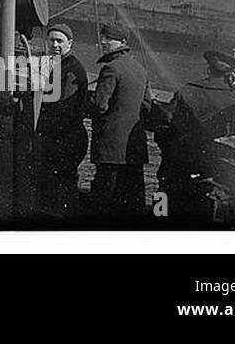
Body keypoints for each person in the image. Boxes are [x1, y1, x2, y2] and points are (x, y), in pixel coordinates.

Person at [157, 49, 235, 218]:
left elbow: (169, 122)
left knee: (166, 200)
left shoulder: (186, 90)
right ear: (232, 74)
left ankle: (158, 219)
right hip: (213, 167)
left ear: (208, 70)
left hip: (180, 163)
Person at [89, 20, 149, 223]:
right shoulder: (140, 69)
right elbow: (147, 106)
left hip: (110, 148)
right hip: (134, 148)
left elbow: (100, 105)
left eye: (109, 39)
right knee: (132, 197)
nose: (104, 42)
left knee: (106, 198)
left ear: (122, 42)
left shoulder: (111, 69)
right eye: (104, 38)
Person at [35, 22, 89, 219]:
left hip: (65, 140)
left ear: (69, 43)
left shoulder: (70, 69)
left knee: (60, 188)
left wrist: (41, 131)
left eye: (60, 41)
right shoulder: (61, 65)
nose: (55, 45)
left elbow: (63, 109)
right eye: (52, 40)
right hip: (64, 138)